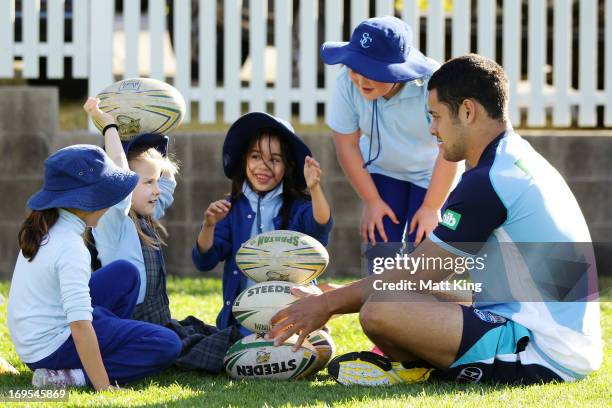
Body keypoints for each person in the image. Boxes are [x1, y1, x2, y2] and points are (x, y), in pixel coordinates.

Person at [268, 54, 602, 386]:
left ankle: (423, 368)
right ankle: (420, 366)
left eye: (436, 116)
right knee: (399, 293)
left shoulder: (490, 180)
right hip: (556, 333)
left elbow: (416, 273)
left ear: (468, 111)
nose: (432, 129)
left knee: (380, 309)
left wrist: (327, 304)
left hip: (544, 352)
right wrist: (340, 294)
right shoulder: (515, 159)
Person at [7, 143, 182, 390]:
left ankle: (106, 345)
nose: (112, 203)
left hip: (38, 338)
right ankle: (74, 376)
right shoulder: (69, 247)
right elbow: (79, 326)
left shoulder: (50, 225)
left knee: (125, 273)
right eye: (107, 194)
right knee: (167, 344)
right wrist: (102, 386)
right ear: (85, 201)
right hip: (51, 349)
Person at [321, 16, 461, 250]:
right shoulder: (346, 82)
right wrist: (371, 201)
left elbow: (450, 149)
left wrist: (431, 207)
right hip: (382, 171)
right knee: (380, 248)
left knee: (425, 248)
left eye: (372, 71)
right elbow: (346, 145)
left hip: (433, 174)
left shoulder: (433, 85)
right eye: (356, 68)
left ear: (398, 71)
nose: (360, 79)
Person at [192, 112, 333, 335]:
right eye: (256, 156)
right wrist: (208, 225)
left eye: (275, 160)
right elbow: (205, 260)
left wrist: (315, 187)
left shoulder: (298, 206)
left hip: (292, 314)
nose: (263, 166)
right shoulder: (231, 208)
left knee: (315, 349)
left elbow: (320, 227)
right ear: (244, 159)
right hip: (243, 320)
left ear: (288, 166)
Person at [84, 98, 179, 327]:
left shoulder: (147, 213)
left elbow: (167, 183)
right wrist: (109, 126)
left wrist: (150, 124)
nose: (157, 190)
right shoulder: (112, 219)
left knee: (204, 335)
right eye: (148, 182)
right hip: (131, 322)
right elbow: (119, 172)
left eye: (155, 181)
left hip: (159, 320)